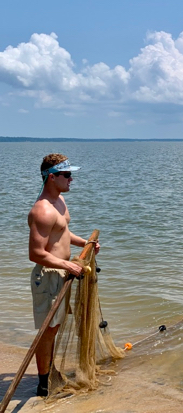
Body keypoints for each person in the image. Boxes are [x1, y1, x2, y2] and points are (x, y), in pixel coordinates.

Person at [28, 153, 100, 396]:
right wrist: (68, 266)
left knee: (55, 327)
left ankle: (49, 375)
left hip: (61, 272)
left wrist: (85, 244)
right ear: (51, 177)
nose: (72, 179)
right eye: (67, 175)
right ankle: (43, 385)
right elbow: (36, 253)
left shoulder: (60, 202)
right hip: (48, 276)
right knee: (47, 331)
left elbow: (62, 234)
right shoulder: (43, 211)